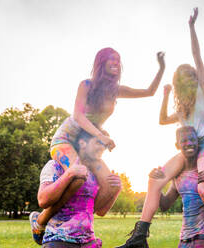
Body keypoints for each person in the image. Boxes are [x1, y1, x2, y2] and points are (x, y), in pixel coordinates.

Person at [30, 48, 165, 243]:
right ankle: (40, 221)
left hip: (87, 144)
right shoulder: (86, 85)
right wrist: (101, 135)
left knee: (111, 184)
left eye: (119, 60)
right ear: (101, 63)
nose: (116, 63)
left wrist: (161, 68)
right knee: (77, 175)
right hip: (66, 139)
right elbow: (78, 116)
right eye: (112, 59)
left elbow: (149, 92)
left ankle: (80, 221)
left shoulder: (116, 90)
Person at [117, 8, 204, 248]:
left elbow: (198, 57)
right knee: (155, 180)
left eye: (191, 74)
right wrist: (165, 94)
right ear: (178, 82)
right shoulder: (184, 110)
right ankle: (139, 236)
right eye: (183, 75)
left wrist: (192, 28)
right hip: (188, 150)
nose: (189, 76)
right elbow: (163, 120)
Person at [150, 126, 204, 248]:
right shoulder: (178, 175)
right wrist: (155, 182)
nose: (189, 143)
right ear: (177, 145)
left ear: (198, 142)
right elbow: (165, 205)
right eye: (184, 141)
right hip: (184, 241)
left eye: (192, 139)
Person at [31, 130, 122, 247]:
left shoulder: (95, 174)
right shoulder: (55, 165)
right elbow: (43, 200)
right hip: (58, 240)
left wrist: (115, 190)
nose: (102, 148)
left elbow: (100, 211)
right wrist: (69, 174)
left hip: (88, 241)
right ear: (83, 143)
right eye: (98, 143)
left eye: (104, 145)